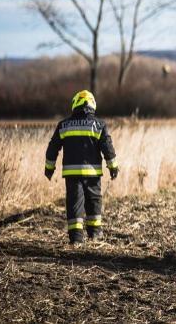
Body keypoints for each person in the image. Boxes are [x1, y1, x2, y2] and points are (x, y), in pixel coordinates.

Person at [44, 90, 119, 244]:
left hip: (72, 175)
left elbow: (52, 148)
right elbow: (108, 148)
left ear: (75, 104)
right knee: (94, 202)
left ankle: (76, 239)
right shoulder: (99, 125)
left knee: (74, 204)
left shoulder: (63, 125)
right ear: (92, 105)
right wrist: (113, 167)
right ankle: (95, 235)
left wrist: (49, 168)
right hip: (93, 174)